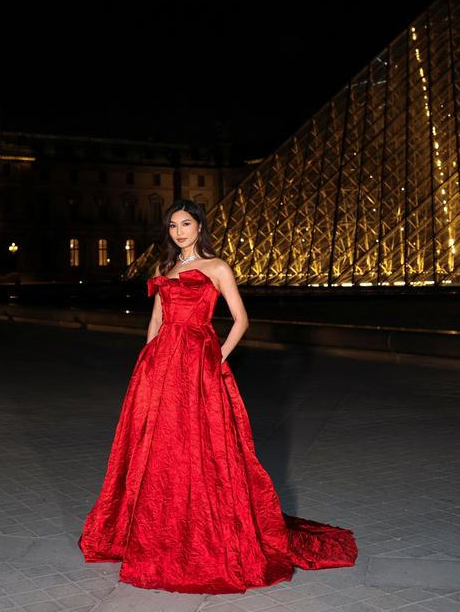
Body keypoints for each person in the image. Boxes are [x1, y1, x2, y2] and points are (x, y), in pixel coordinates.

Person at [78, 199, 357, 593]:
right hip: (161, 365)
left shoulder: (217, 267)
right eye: (173, 225)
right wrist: (148, 363)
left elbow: (241, 320)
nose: (179, 231)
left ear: (199, 226)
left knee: (200, 445)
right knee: (159, 445)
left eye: (185, 224)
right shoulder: (164, 268)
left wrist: (217, 357)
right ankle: (156, 530)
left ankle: (201, 528)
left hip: (198, 364)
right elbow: (156, 319)